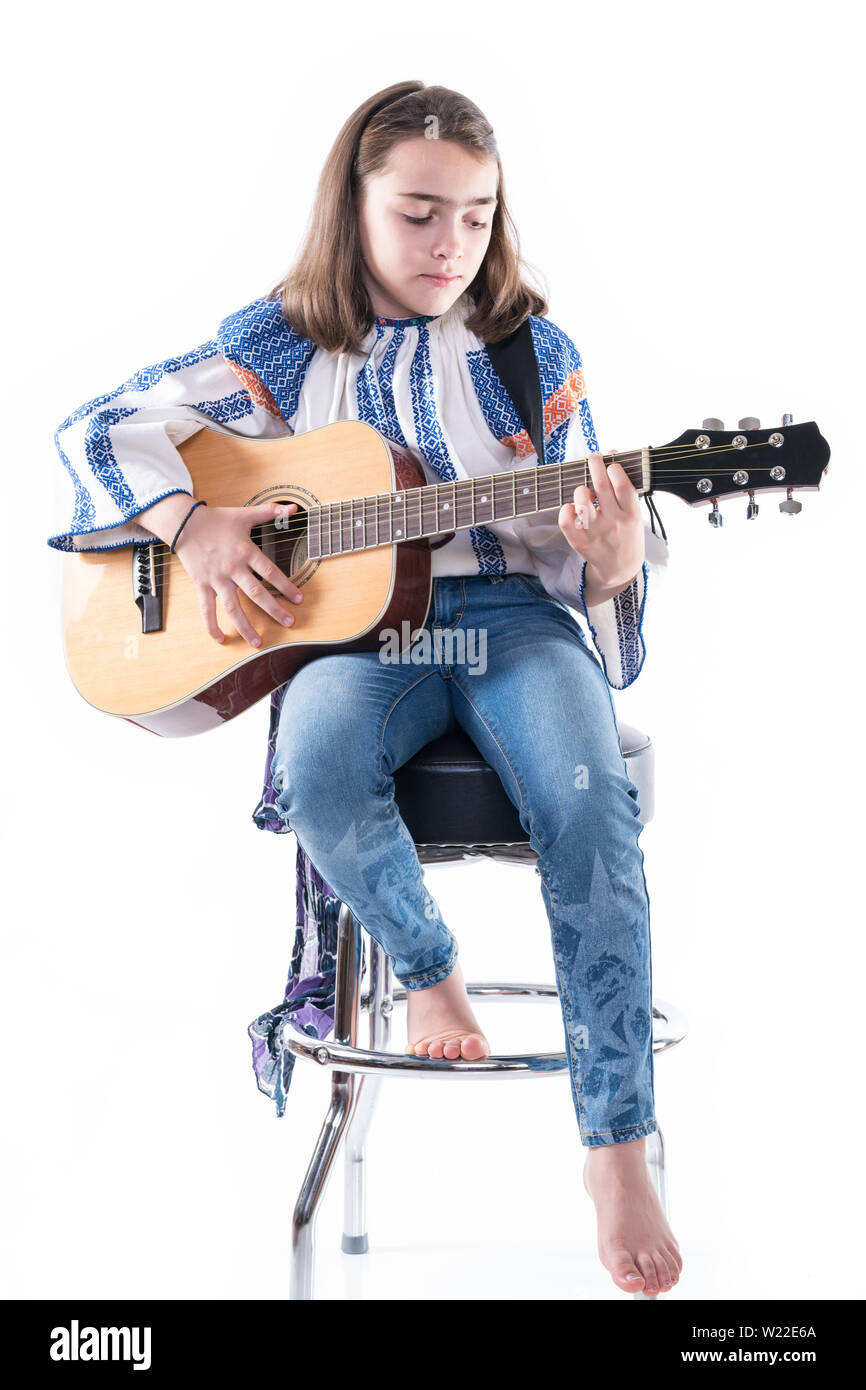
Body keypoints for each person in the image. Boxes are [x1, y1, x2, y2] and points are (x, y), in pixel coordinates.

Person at [47, 81, 681, 1298]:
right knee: (319, 767)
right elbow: (93, 428)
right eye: (418, 214)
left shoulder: (527, 354)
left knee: (587, 795)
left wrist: (607, 557)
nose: (451, 246)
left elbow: (594, 550)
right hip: (353, 638)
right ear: (354, 205)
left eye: (476, 218)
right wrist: (193, 525)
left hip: (504, 623)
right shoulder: (279, 345)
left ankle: (613, 1143)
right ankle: (427, 968)